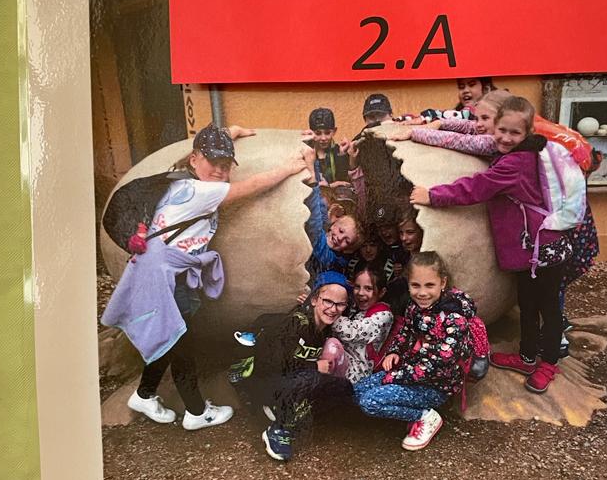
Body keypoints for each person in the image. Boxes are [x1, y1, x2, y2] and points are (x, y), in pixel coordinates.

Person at [102, 125, 307, 429]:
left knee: (169, 337)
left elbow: (201, 160)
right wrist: (290, 167)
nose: (220, 170)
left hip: (160, 271)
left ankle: (144, 395)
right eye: (214, 162)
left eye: (226, 164)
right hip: (165, 278)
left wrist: (231, 131)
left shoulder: (180, 180)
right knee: (182, 343)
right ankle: (197, 413)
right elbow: (250, 186)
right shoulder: (201, 191)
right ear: (195, 159)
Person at [410, 96, 572, 395]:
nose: (506, 138)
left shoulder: (516, 163)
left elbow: (477, 188)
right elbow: (468, 135)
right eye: (502, 130)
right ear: (494, 127)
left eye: (515, 133)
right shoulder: (514, 152)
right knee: (527, 304)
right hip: (529, 249)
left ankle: (548, 363)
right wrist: (425, 126)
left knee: (548, 309)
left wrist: (433, 196)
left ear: (527, 133)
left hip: (546, 249)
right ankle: (527, 357)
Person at [354, 252, 476, 451]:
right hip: (409, 372)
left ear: (443, 283)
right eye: (415, 285)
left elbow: (439, 363)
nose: (422, 293)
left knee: (369, 402)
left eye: (429, 285)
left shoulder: (454, 317)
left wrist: (395, 376)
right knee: (358, 390)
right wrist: (394, 351)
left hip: (436, 385)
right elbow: (406, 331)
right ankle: (406, 406)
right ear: (408, 284)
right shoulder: (414, 307)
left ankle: (425, 416)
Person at [233, 272, 355, 462]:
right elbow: (273, 364)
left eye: (340, 304)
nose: (333, 309)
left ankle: (286, 412)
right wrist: (314, 366)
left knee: (344, 388)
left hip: (291, 383)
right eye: (328, 301)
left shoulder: (324, 328)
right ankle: (279, 428)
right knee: (311, 377)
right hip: (267, 381)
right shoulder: (296, 323)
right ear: (314, 300)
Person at [329, 265, 394, 382]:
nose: (360, 292)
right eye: (357, 287)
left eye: (368, 288)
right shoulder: (354, 307)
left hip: (356, 371)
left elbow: (353, 332)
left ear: (381, 292)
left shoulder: (384, 315)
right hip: (339, 360)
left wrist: (329, 312)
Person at [304, 107, 350, 185]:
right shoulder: (306, 152)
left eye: (327, 133)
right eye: (318, 133)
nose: (323, 138)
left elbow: (342, 181)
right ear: (310, 133)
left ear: (334, 131)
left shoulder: (338, 151)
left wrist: (342, 155)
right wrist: (330, 186)